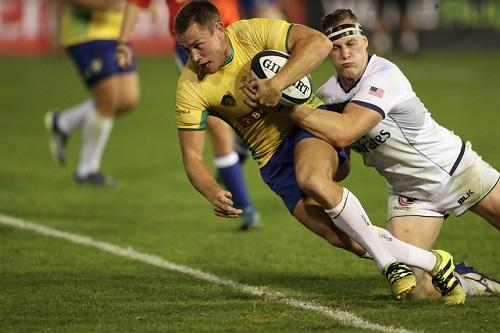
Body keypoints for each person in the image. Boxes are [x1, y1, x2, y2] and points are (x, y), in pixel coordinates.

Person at [174, 1, 465, 304]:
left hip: (308, 128)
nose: (193, 57)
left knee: (312, 178)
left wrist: (277, 85)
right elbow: (192, 158)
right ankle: (435, 262)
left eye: (198, 46)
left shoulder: (250, 33)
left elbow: (318, 42)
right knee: (343, 238)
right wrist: (211, 193)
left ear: (219, 31)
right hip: (273, 161)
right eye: (186, 50)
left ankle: (390, 264)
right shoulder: (190, 86)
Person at [288, 8, 500, 300]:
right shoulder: (328, 97)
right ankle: (474, 282)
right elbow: (343, 162)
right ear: (327, 53)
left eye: (350, 43)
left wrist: (289, 107)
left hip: (454, 169)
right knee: (415, 291)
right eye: (336, 48)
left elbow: (346, 131)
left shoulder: (385, 75)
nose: (345, 53)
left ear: (364, 42)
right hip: (408, 193)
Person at [116, 0, 261, 230]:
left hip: (233, 38)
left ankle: (240, 147)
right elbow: (136, 4)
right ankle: (245, 208)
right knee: (218, 128)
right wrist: (123, 41)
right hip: (194, 48)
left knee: (252, 110)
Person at [44, 0, 139, 186]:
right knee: (109, 97)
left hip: (119, 31)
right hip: (87, 33)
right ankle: (87, 169)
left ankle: (63, 122)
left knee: (127, 99)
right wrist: (107, 4)